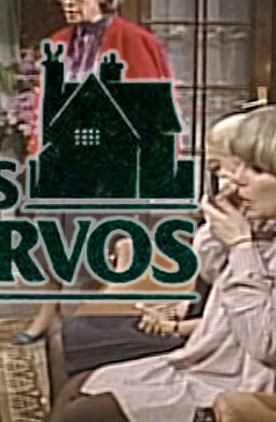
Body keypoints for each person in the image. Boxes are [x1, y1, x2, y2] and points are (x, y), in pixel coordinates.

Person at [47, 105, 276, 422]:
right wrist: (221, 221)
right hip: (222, 364)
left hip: (273, 386)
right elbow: (210, 270)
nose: (237, 179)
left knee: (85, 414)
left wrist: (241, 246)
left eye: (256, 170)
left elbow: (270, 341)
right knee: (78, 388)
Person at [16, 0, 177, 344]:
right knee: (52, 235)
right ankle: (48, 310)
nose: (68, 3)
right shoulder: (57, 43)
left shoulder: (134, 41)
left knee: (107, 239)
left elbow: (152, 108)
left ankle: (96, 318)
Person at [57, 111, 247, 374]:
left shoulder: (254, 235)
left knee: (81, 344)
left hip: (210, 343)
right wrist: (176, 309)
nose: (224, 178)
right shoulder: (227, 218)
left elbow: (239, 325)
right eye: (216, 169)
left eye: (232, 166)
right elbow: (210, 288)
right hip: (192, 320)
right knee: (77, 331)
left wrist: (174, 326)